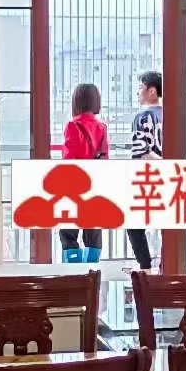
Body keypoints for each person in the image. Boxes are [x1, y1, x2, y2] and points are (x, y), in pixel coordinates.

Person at [59, 82, 109, 261]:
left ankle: (74, 270)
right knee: (93, 230)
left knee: (69, 231)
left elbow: (69, 158)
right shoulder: (102, 127)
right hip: (95, 184)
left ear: (77, 102)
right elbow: (104, 157)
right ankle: (92, 270)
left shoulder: (72, 126)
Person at [127, 69, 162, 271]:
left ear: (152, 91)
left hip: (147, 180)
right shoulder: (170, 115)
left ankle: (145, 266)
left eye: (140, 87)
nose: (137, 92)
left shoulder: (142, 117)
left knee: (134, 225)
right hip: (169, 179)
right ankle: (166, 265)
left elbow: (141, 152)